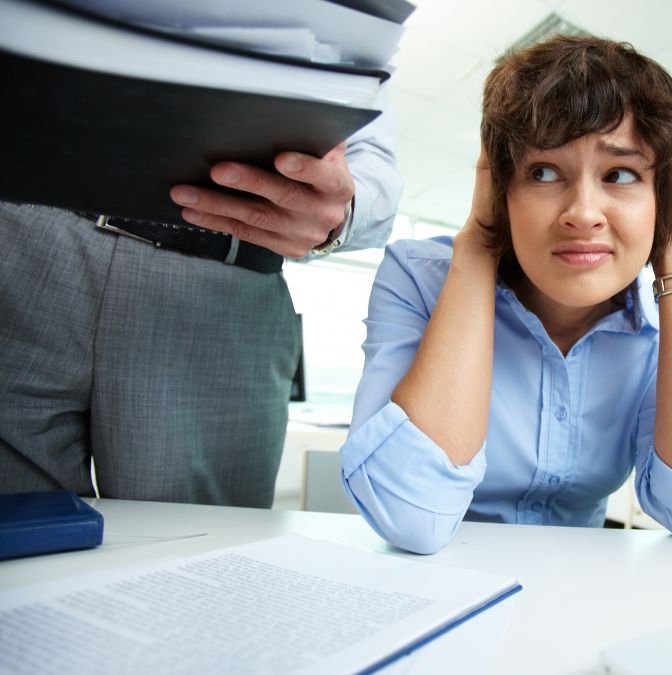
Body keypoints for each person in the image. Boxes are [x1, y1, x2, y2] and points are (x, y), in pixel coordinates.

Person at [341, 35, 672, 555]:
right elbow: (411, 517)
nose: (583, 212)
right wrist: (477, 244)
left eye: (621, 174)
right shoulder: (419, 279)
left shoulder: (661, 325)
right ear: (499, 189)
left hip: (575, 596)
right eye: (543, 172)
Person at [0, 28, 401, 508]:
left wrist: (340, 212)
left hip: (217, 284)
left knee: (201, 553)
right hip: (24, 234)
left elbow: (373, 163)